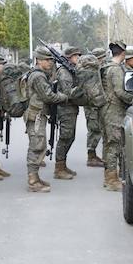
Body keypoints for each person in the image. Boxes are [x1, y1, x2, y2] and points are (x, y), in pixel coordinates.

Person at [24, 46, 69, 193]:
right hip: (36, 115)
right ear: (39, 60)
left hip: (38, 114)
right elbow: (48, 96)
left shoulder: (40, 74)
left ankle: (35, 176)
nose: (50, 62)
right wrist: (64, 97)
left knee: (39, 144)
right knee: (37, 145)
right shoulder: (38, 76)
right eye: (47, 60)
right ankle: (32, 180)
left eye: (51, 60)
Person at [101, 43, 133, 191]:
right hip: (115, 111)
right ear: (123, 54)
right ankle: (111, 180)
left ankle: (108, 177)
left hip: (107, 109)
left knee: (109, 144)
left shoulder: (106, 67)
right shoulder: (116, 70)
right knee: (114, 145)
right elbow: (119, 91)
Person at [53, 46, 83, 180]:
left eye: (78, 55)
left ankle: (62, 164)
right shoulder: (64, 72)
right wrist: (82, 88)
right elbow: (68, 92)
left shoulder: (71, 70)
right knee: (65, 137)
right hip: (65, 109)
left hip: (71, 108)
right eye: (75, 56)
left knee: (71, 137)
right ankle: (59, 168)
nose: (78, 58)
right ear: (69, 58)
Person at [84, 47, 108, 167]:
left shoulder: (96, 69)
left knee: (96, 129)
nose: (104, 60)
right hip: (91, 105)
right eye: (103, 58)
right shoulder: (91, 70)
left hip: (94, 104)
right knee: (94, 130)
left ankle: (92, 155)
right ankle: (91, 156)